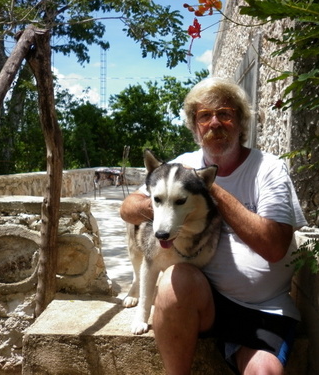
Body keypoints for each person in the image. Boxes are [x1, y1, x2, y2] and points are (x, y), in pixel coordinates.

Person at [119, 77, 308, 375]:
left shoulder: (268, 169)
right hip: (205, 302)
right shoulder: (181, 167)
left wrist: (211, 189)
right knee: (173, 280)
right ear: (195, 126)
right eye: (205, 116)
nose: (215, 123)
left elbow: (274, 247)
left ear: (241, 122)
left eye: (225, 114)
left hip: (265, 309)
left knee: (265, 373)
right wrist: (163, 208)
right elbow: (128, 209)